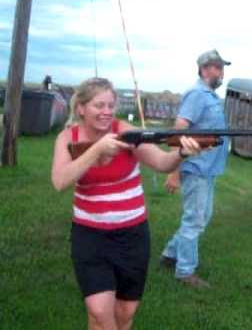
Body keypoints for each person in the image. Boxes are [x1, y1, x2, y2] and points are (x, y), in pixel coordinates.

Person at [51, 77, 201, 330]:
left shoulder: (126, 133)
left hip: (132, 235)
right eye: (99, 105)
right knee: (99, 312)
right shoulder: (68, 137)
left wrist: (182, 154)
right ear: (81, 108)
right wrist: (97, 150)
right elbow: (60, 181)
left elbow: (163, 164)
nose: (107, 111)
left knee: (124, 313)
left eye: (111, 105)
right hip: (90, 236)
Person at [160, 49, 231, 288]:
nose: (222, 72)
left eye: (222, 68)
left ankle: (170, 254)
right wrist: (173, 171)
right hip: (196, 167)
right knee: (195, 220)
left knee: (202, 217)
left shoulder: (210, 95)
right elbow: (179, 131)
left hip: (208, 168)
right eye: (218, 67)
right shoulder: (197, 94)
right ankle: (185, 271)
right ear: (204, 68)